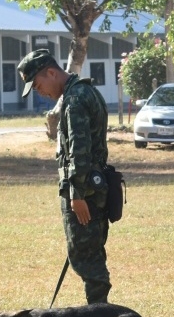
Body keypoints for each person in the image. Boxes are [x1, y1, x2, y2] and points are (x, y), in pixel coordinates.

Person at [18, 48, 112, 303]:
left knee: (86, 257)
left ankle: (98, 315)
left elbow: (79, 152)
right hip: (93, 186)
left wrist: (77, 194)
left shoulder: (75, 100)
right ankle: (99, 312)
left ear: (51, 72)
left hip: (85, 191)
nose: (39, 92)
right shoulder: (83, 91)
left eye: (38, 85)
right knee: (90, 252)